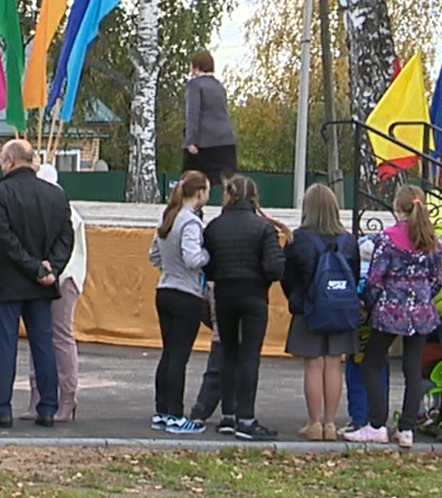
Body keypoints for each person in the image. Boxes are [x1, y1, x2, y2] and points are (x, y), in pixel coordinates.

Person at [0, 141, 73, 429]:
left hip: (10, 280)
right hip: (43, 283)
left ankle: (1, 407)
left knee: (5, 345)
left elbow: (4, 238)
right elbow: (66, 236)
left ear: (10, 161)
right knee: (43, 345)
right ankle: (48, 408)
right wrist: (50, 267)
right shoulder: (56, 195)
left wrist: (33, 268)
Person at [348, 185, 442, 447]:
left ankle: (377, 423)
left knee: (371, 362)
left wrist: (371, 302)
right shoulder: (432, 241)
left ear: (397, 208)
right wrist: (422, 296)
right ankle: (407, 428)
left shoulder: (387, 239)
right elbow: (437, 279)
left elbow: (375, 279)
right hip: (422, 312)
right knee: (412, 368)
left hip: (391, 310)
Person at [200, 176, 286, 442]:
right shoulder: (263, 228)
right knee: (249, 356)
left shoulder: (214, 227)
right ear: (254, 196)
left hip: (224, 294)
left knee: (227, 352)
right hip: (253, 296)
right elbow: (275, 268)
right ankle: (246, 418)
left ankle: (227, 415)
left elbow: (208, 266)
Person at [282, 184, 356, 441]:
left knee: (314, 365)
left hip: (309, 309)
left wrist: (297, 298)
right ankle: (331, 423)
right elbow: (354, 276)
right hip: (340, 310)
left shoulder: (298, 239)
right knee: (334, 364)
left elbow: (287, 277)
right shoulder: (348, 241)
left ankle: (314, 423)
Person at [149, 171, 212, 434]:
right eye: (207, 191)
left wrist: (169, 267)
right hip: (186, 293)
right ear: (199, 193)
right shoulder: (191, 223)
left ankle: (162, 411)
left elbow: (154, 255)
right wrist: (208, 255)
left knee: (168, 353)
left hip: (165, 288)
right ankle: (176, 415)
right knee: (179, 356)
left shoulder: (169, 217)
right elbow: (191, 258)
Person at [35, 166, 87, 423]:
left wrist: (51, 271)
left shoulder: (68, 214)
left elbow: (66, 250)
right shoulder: (51, 208)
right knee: (39, 336)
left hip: (64, 279)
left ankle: (68, 396)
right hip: (46, 277)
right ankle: (40, 396)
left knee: (60, 336)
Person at [183, 51, 236, 187]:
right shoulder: (219, 86)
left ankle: (193, 206)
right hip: (226, 139)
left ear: (196, 66)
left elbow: (193, 114)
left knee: (191, 180)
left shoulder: (195, 85)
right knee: (228, 181)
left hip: (204, 142)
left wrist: (191, 141)